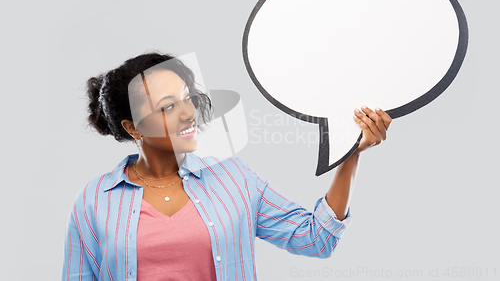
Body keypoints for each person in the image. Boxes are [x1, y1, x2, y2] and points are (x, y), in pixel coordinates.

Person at [61, 51, 392, 281]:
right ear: (133, 128)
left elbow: (316, 238)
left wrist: (352, 153)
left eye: (187, 98)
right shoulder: (93, 201)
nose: (189, 113)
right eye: (168, 106)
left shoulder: (234, 180)